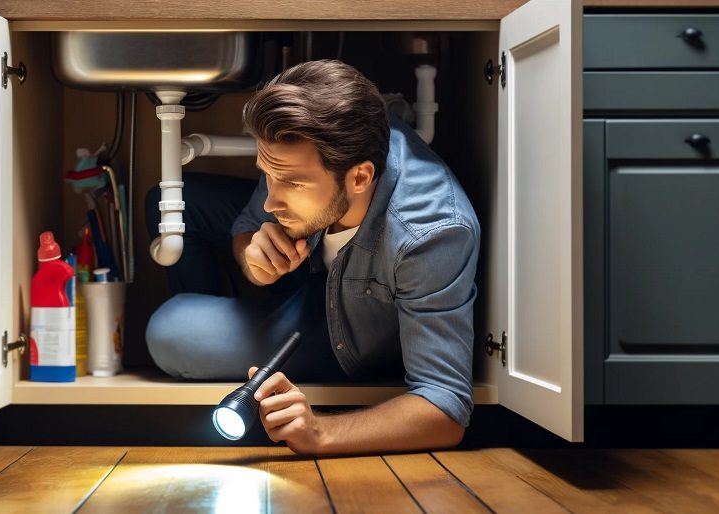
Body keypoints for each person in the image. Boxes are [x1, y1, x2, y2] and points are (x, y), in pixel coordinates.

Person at [145, 59, 480, 455]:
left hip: (345, 331)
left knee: (169, 330)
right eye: (268, 174)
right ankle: (234, 334)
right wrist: (252, 257)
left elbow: (445, 407)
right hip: (310, 270)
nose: (271, 199)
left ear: (359, 178)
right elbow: (251, 224)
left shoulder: (432, 234)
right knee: (171, 204)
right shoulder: (311, 142)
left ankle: (229, 342)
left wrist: (319, 432)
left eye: (291, 182)